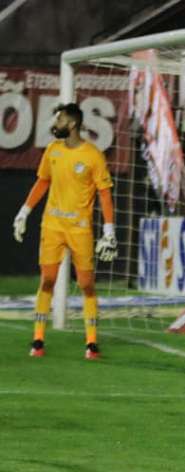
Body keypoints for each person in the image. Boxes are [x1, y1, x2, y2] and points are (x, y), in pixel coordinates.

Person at [12, 102, 117, 359]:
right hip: (53, 225)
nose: (55, 125)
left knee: (86, 285)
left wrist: (109, 230)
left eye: (59, 121)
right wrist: (24, 211)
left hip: (80, 229)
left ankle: (91, 344)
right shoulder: (52, 150)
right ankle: (38, 341)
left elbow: (104, 194)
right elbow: (42, 182)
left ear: (71, 124)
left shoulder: (93, 155)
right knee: (47, 280)